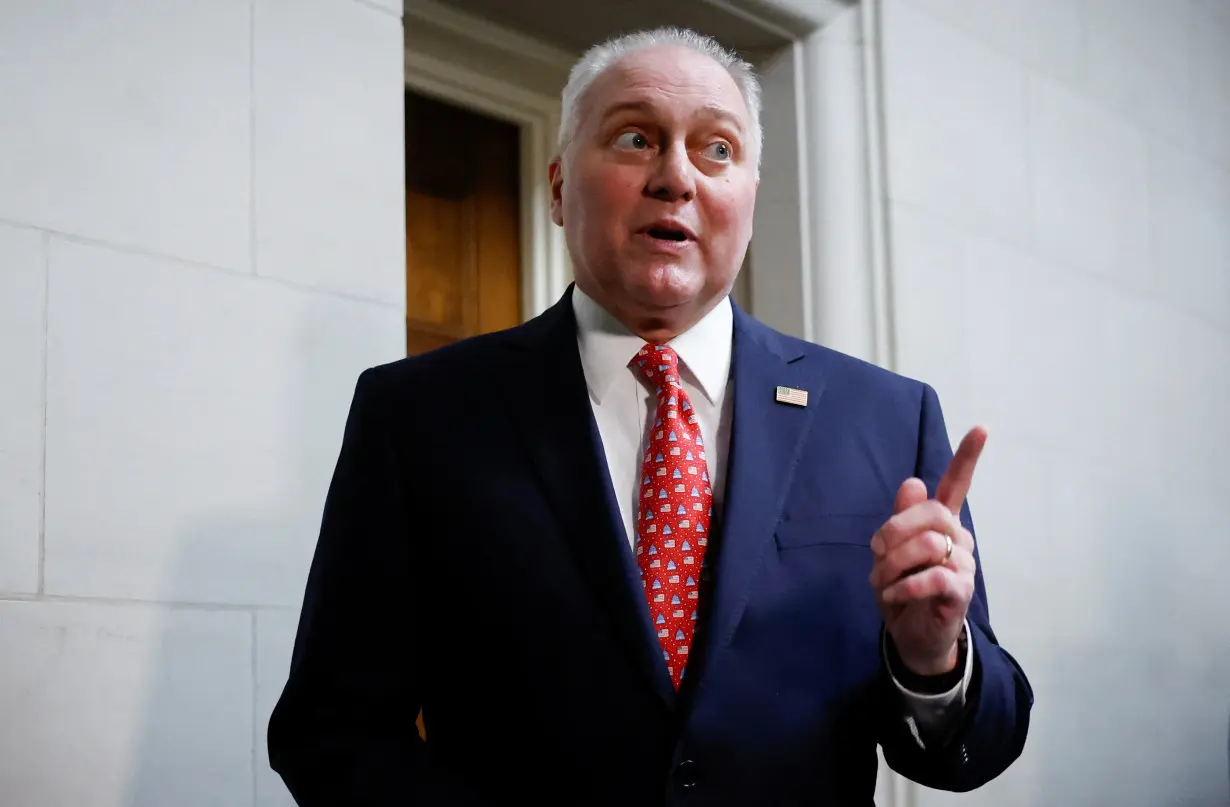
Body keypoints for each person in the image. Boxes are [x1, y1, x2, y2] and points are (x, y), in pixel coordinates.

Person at [267, 27, 1032, 806]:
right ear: (561, 188)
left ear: (750, 200)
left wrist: (934, 660)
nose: (676, 177)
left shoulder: (886, 417)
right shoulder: (416, 416)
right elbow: (331, 730)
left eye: (718, 150)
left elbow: (979, 745)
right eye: (636, 138)